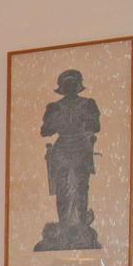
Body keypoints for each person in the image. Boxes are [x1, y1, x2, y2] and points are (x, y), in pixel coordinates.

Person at [35, 68, 102, 251]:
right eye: (67, 83)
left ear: (78, 85)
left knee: (80, 189)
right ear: (62, 87)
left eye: (73, 83)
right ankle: (65, 228)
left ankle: (80, 228)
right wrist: (57, 122)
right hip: (62, 150)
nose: (70, 86)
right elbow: (45, 130)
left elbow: (95, 126)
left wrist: (83, 123)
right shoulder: (54, 107)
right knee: (63, 190)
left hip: (80, 148)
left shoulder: (88, 104)